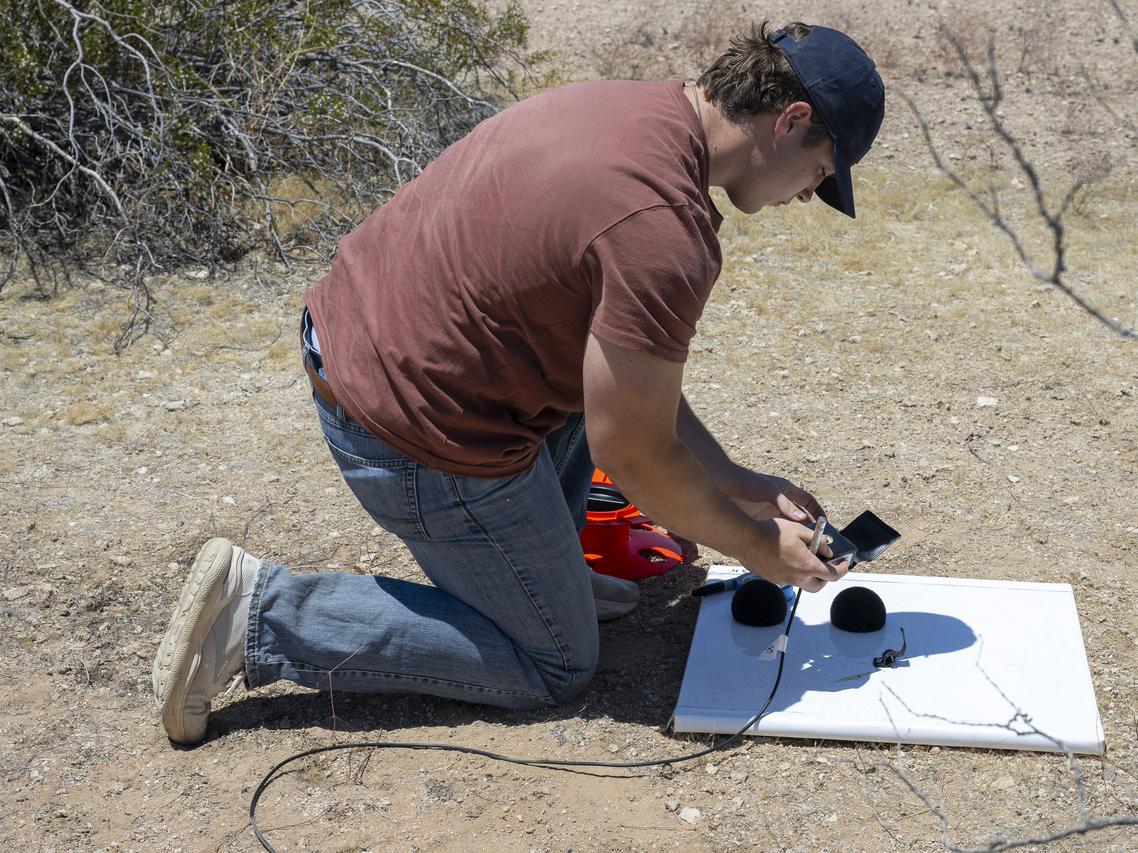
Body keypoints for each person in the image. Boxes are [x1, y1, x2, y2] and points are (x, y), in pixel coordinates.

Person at [152, 21, 885, 745]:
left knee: (607, 402)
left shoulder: (637, 110)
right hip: (408, 426)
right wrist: (757, 544)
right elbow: (634, 454)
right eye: (821, 174)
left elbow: (630, 380)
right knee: (555, 662)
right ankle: (257, 613)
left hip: (359, 340)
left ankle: (545, 575)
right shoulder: (662, 227)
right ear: (790, 121)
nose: (805, 196)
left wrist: (737, 480)